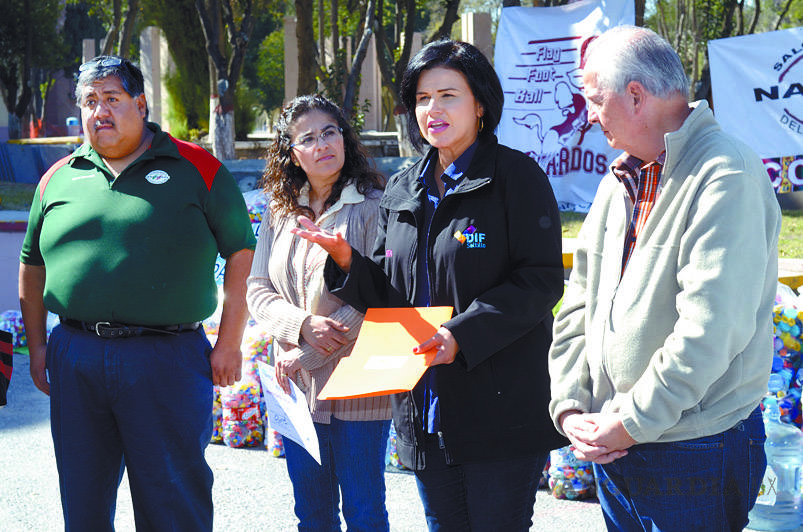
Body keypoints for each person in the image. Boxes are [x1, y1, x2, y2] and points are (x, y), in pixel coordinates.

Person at [292, 41, 567, 531]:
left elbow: (539, 281)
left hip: (499, 410)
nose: (432, 110)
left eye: (448, 95)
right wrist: (345, 261)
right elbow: (386, 298)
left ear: (480, 104)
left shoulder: (515, 177)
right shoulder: (404, 187)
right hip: (423, 409)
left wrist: (461, 334)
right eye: (422, 98)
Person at [548, 26, 781, 532]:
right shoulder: (622, 178)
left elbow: (710, 329)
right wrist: (571, 409)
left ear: (635, 95)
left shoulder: (726, 174)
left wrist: (628, 422)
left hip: (693, 445)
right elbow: (577, 305)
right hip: (617, 439)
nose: (588, 115)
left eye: (594, 99)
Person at [18, 55, 255, 531]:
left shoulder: (198, 167)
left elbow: (242, 254)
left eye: (112, 98)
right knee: (82, 500)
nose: (99, 111)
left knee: (173, 501)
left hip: (166, 356)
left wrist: (229, 342)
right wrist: (40, 347)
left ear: (141, 103)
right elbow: (32, 264)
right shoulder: (57, 177)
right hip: (76, 354)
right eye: (89, 101)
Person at [246, 95, 392, 532]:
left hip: (357, 386)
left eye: (330, 132)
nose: (322, 144)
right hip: (295, 386)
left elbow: (379, 295)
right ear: (292, 155)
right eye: (307, 138)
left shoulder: (375, 206)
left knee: (364, 513)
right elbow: (257, 288)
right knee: (311, 514)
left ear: (345, 138)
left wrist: (307, 353)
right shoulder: (279, 210)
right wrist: (302, 326)